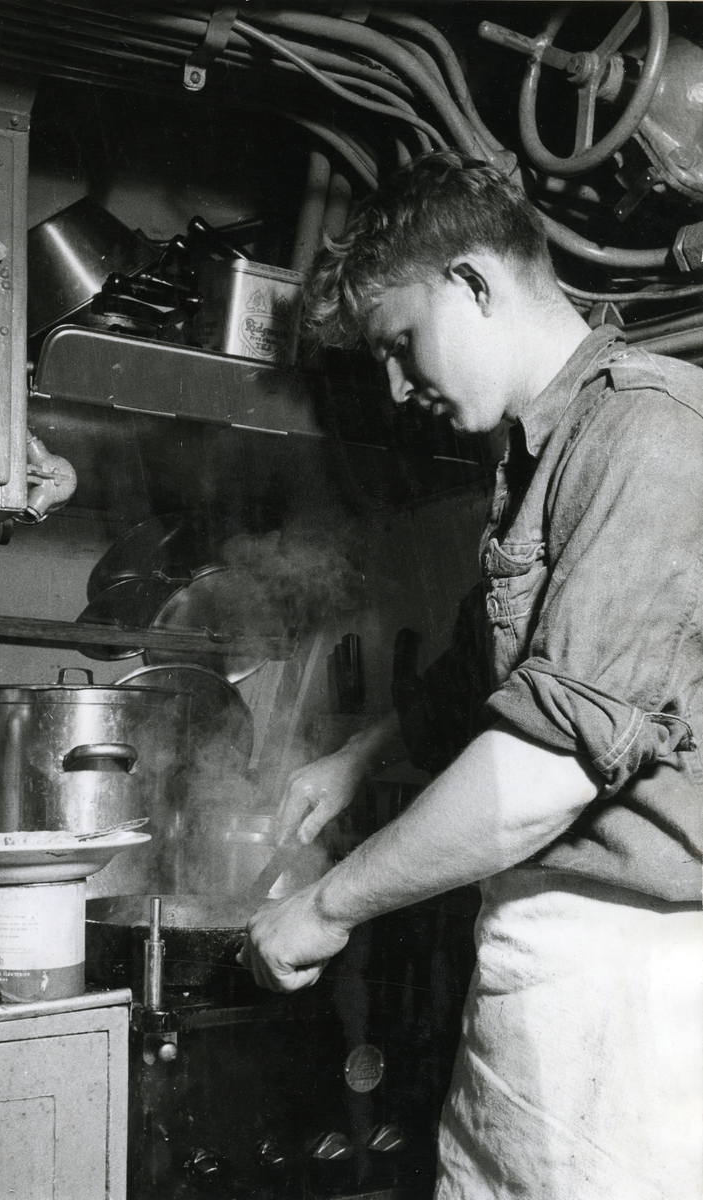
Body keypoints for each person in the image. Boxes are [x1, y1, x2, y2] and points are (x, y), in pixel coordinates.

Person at [238, 152, 703, 1200]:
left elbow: (541, 775)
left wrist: (326, 906)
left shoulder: (652, 434)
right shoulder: (538, 457)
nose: (401, 389)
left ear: (474, 283)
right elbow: (477, 678)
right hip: (539, 978)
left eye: (402, 344)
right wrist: (356, 760)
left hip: (633, 1004)